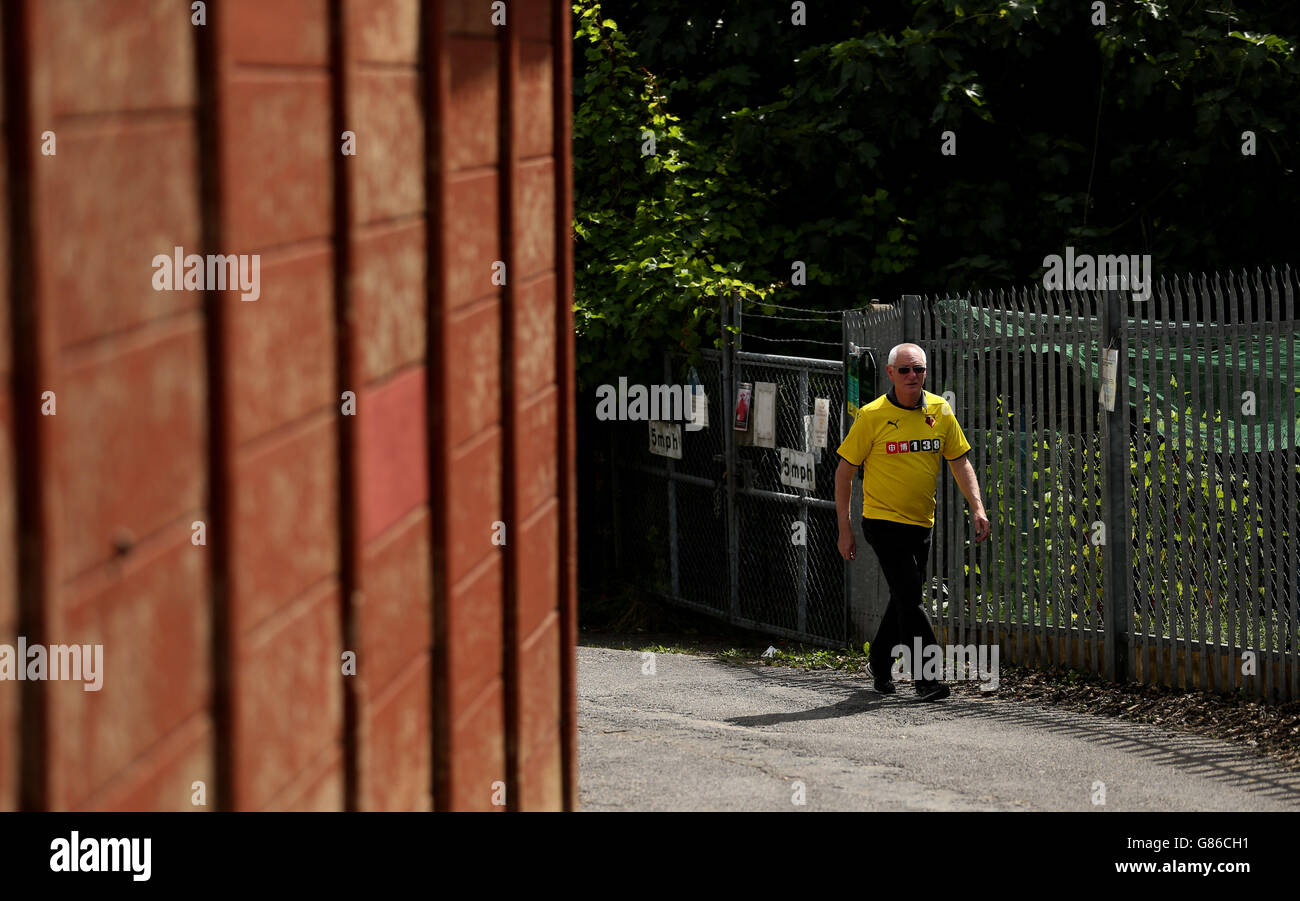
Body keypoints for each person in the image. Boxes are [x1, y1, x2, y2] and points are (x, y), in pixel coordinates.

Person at [834, 343, 991, 701]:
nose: (912, 376)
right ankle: (927, 679)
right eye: (904, 370)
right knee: (911, 598)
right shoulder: (872, 416)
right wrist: (845, 529)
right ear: (890, 373)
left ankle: (879, 661)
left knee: (904, 598)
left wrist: (978, 508)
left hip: (922, 523)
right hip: (882, 522)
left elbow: (960, 461)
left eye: (918, 370)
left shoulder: (940, 410)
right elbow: (844, 472)